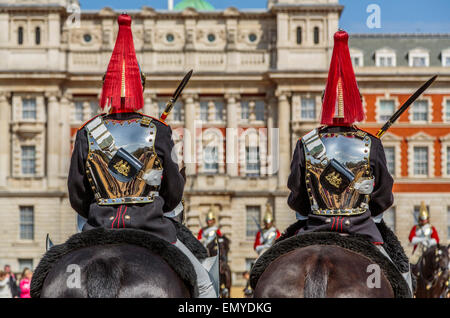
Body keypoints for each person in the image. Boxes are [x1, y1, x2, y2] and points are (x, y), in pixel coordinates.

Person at [68, 14, 216, 298]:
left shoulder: (87, 132)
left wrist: (99, 209)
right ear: (141, 89)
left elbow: (77, 193)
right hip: (152, 225)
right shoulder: (158, 130)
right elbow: (173, 190)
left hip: (98, 225)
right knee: (206, 286)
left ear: (106, 90)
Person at [286, 30, 412, 291]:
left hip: (314, 226)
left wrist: (316, 208)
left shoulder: (305, 143)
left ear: (323, 104)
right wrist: (364, 210)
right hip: (363, 228)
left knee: (265, 265)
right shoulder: (370, 143)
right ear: (356, 104)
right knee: (402, 274)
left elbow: (296, 195)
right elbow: (384, 196)